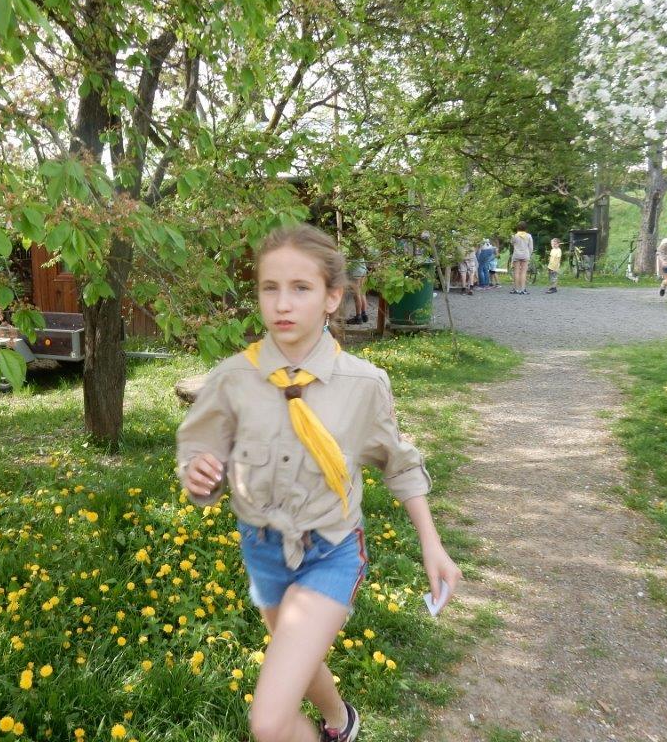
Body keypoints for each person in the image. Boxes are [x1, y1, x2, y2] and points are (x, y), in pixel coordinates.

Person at [176, 224, 462, 742]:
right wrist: (199, 474)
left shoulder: (364, 384)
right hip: (262, 548)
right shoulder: (232, 379)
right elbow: (200, 452)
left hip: (331, 548)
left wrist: (431, 543)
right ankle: (340, 721)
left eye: (301, 288)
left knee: (269, 722)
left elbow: (399, 464)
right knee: (298, 660)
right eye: (270, 288)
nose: (282, 303)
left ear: (332, 297)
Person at [509, 221, 534, 294]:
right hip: (525, 255)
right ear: (526, 228)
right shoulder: (529, 236)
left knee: (516, 272)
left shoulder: (514, 236)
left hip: (516, 255)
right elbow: (531, 247)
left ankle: (516, 289)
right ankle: (523, 289)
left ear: (518, 227)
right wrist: (529, 254)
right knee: (523, 272)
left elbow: (512, 243)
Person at [346, 256, 368, 324]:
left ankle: (358, 317)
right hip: (363, 266)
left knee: (357, 294)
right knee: (362, 292)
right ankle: (364, 315)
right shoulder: (361, 249)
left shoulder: (353, 248)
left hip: (356, 269)